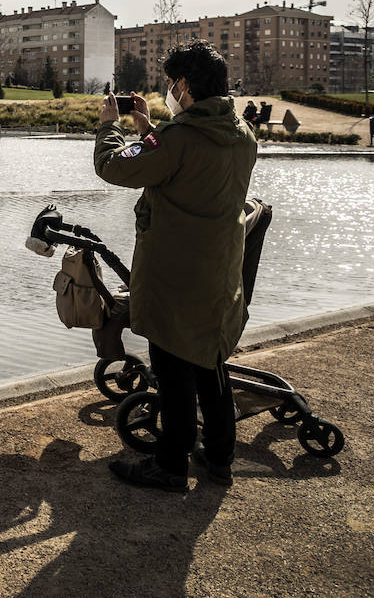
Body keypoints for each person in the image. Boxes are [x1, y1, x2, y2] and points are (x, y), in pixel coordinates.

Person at [94, 39, 257, 492]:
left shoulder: (176, 139)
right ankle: (220, 459)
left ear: (183, 85)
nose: (169, 90)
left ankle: (169, 464)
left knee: (171, 367)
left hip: (175, 276)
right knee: (210, 362)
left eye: (170, 83)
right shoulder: (242, 132)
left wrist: (110, 127)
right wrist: (150, 129)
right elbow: (186, 159)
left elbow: (114, 166)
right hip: (219, 273)